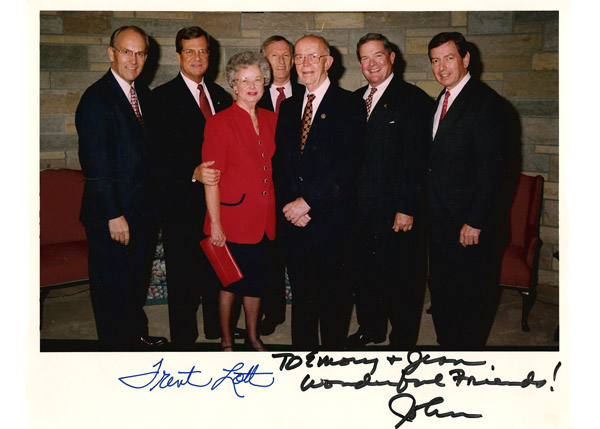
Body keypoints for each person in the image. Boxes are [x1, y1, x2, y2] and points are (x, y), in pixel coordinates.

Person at [273, 35, 366, 350]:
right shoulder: (286, 108)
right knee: (302, 300)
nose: (305, 64)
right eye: (299, 57)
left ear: (329, 61)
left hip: (332, 222)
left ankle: (333, 365)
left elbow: (348, 165)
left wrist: (307, 202)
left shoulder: (350, 103)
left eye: (313, 56)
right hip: (295, 225)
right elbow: (280, 164)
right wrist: (290, 206)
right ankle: (302, 363)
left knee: (334, 302)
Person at [76, 25, 166, 351]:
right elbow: (96, 166)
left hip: (140, 212)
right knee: (111, 288)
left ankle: (136, 337)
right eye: (126, 51)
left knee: (134, 283)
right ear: (111, 53)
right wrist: (115, 214)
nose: (133, 59)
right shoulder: (96, 99)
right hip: (111, 215)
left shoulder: (143, 94)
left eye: (140, 53)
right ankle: (115, 353)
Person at [346, 33, 432, 350]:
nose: (372, 64)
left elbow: (419, 159)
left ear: (391, 57)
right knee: (366, 276)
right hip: (360, 211)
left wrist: (407, 207)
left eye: (378, 56)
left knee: (402, 282)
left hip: (396, 212)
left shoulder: (414, 99)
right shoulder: (354, 100)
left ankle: (402, 342)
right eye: (365, 58)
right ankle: (371, 329)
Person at [151, 26, 232, 350]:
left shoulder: (222, 96)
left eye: (202, 51)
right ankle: (183, 339)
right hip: (181, 201)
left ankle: (215, 328)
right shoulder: (161, 98)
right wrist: (191, 172)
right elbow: (155, 155)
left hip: (219, 203)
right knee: (183, 276)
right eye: (190, 51)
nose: (197, 58)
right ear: (178, 56)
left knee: (216, 269)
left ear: (209, 56)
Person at [427, 32, 508, 349]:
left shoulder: (487, 105)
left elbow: (494, 173)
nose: (442, 67)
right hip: (441, 222)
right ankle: (447, 352)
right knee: (446, 295)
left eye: (449, 58)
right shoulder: (443, 100)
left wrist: (475, 220)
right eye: (435, 60)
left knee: (471, 300)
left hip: (469, 227)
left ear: (465, 58)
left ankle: (467, 365)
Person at [203, 51, 277, 352]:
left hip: (264, 219)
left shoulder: (273, 120)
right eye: (244, 80)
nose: (251, 85)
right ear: (234, 84)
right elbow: (212, 178)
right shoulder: (219, 123)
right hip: (232, 220)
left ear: (264, 83)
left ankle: (253, 335)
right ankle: (225, 340)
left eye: (257, 79)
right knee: (229, 285)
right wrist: (216, 224)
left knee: (256, 284)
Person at [257, 35, 305, 336]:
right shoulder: (253, 94)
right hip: (264, 194)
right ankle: (272, 313)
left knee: (301, 259)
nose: (281, 61)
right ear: (265, 59)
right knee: (269, 259)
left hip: (298, 194)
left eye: (287, 55)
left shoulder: (307, 93)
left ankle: (304, 313)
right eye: (274, 55)